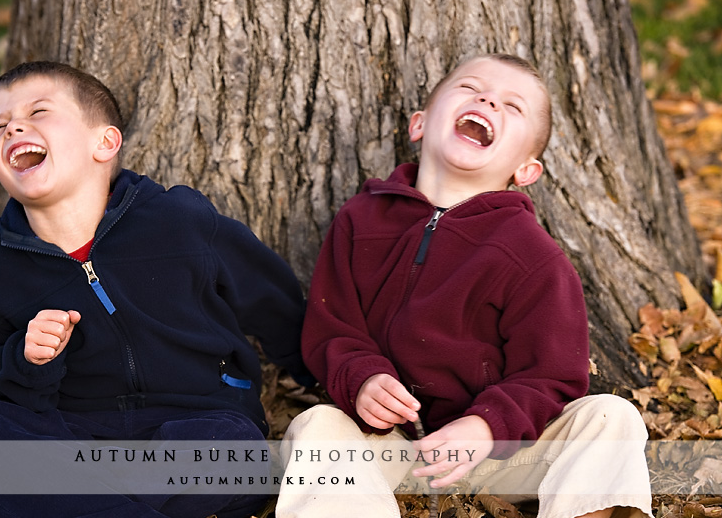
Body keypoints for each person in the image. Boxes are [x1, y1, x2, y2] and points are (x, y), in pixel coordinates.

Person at [275, 54, 652, 518]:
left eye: (512, 107)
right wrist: (363, 379)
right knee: (316, 427)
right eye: (470, 88)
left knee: (611, 418)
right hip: (382, 444)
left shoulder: (532, 256)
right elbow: (333, 328)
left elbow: (552, 376)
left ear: (526, 171)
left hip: (502, 453)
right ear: (420, 124)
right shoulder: (362, 219)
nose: (488, 99)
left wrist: (486, 426)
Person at [0, 61, 312, 518]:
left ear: (105, 142)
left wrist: (332, 376)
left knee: (232, 452)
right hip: (72, 434)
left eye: (38, 112)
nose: (13, 126)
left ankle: (57, 502)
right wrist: (28, 360)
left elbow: (271, 298)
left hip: (196, 421)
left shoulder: (180, 222)